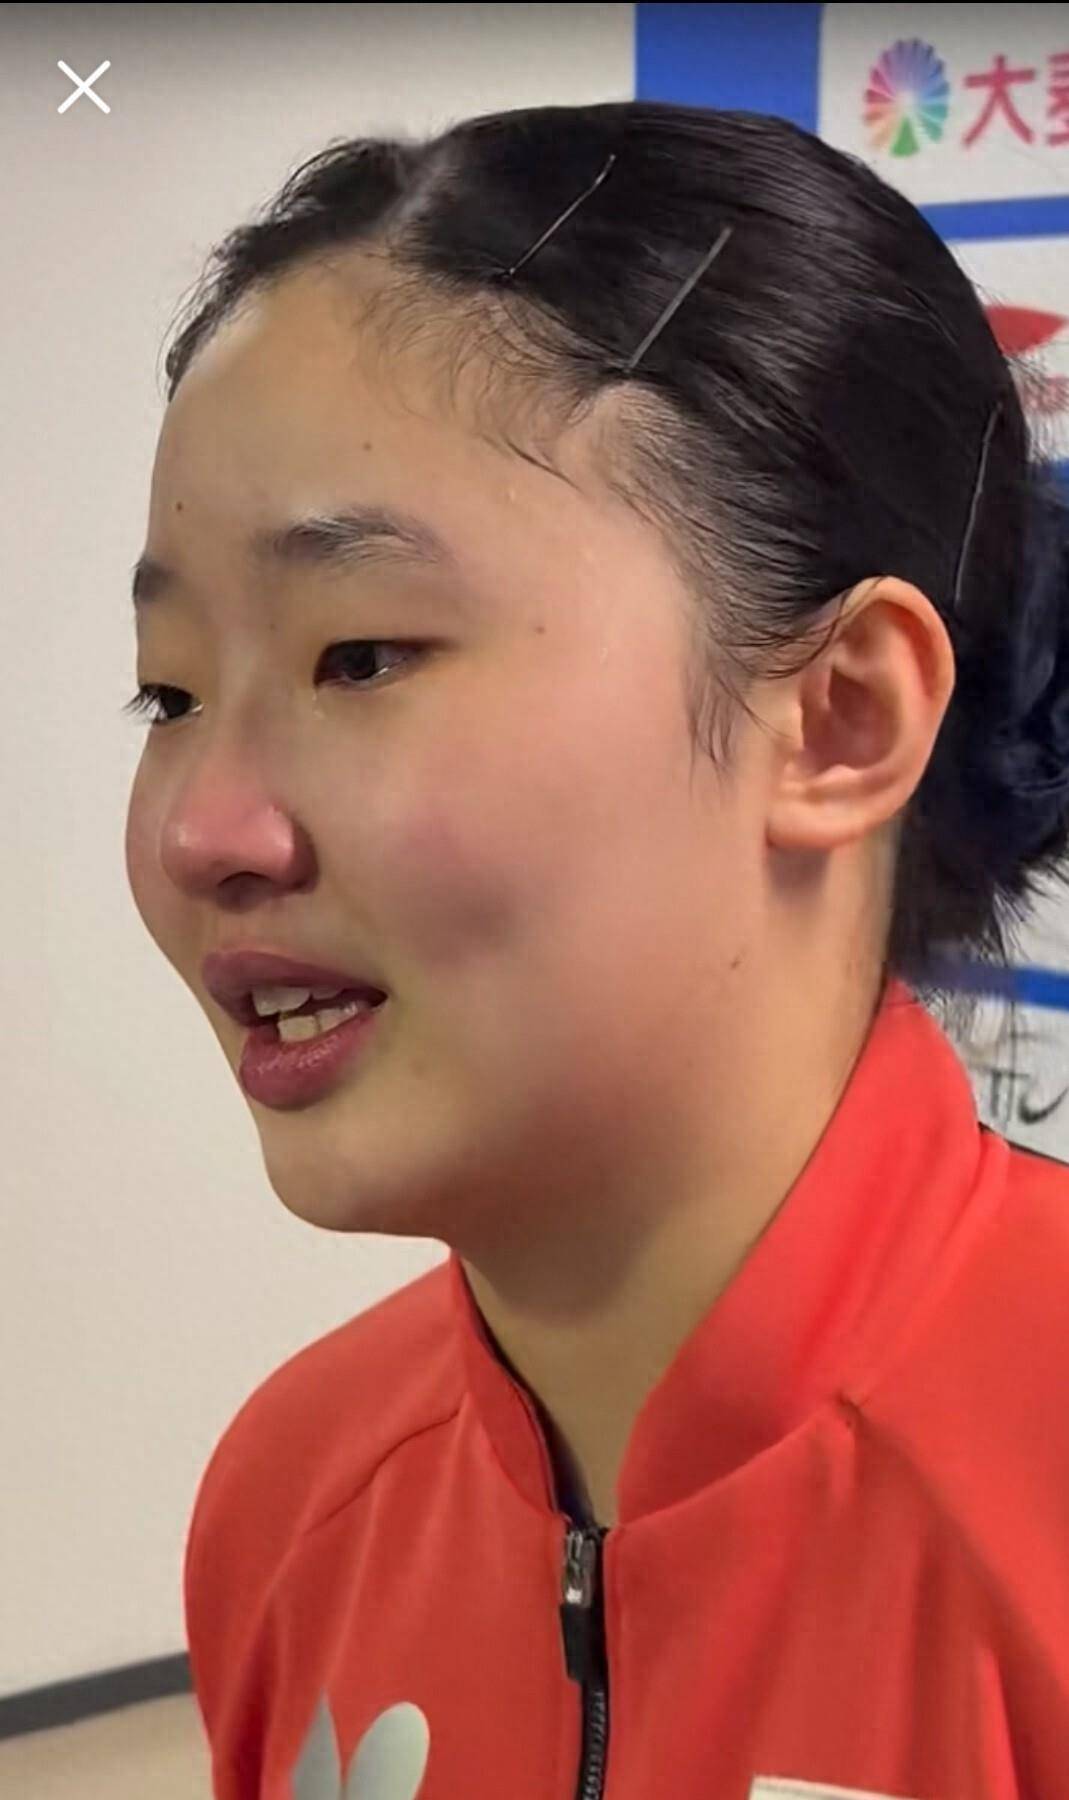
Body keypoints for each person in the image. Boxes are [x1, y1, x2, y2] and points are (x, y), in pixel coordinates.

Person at [125, 101, 1069, 1800]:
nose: (202, 828)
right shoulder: (294, 1495)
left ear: (840, 717)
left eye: (360, 656)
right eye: (170, 693)